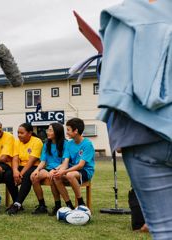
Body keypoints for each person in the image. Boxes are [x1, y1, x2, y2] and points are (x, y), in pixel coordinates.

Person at [98, 1, 172, 238]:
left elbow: (115, 89)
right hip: (143, 139)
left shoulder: (123, 16)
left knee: (164, 231)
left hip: (141, 135)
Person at [53, 118, 95, 209]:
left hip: (85, 171)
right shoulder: (69, 143)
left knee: (70, 175)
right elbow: (65, 162)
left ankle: (81, 202)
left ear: (75, 131)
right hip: (71, 170)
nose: (66, 132)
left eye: (68, 130)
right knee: (56, 177)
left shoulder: (87, 144)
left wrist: (64, 172)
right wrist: (59, 171)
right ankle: (69, 205)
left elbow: (81, 165)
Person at [30, 123, 67, 215]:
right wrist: (37, 170)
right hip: (48, 169)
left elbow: (64, 163)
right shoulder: (46, 144)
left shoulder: (66, 144)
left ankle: (57, 205)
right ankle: (42, 206)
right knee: (33, 177)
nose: (47, 132)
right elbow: (43, 161)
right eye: (48, 130)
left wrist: (54, 169)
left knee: (52, 176)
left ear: (57, 132)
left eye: (50, 130)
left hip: (60, 169)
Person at [6, 123, 43, 215]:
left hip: (34, 166)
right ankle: (16, 202)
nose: (19, 135)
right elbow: (15, 158)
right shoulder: (17, 142)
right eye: (18, 133)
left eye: (21, 133)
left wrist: (20, 175)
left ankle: (17, 204)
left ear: (30, 133)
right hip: (21, 166)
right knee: (8, 174)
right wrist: (15, 171)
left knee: (26, 176)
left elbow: (31, 161)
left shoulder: (37, 141)